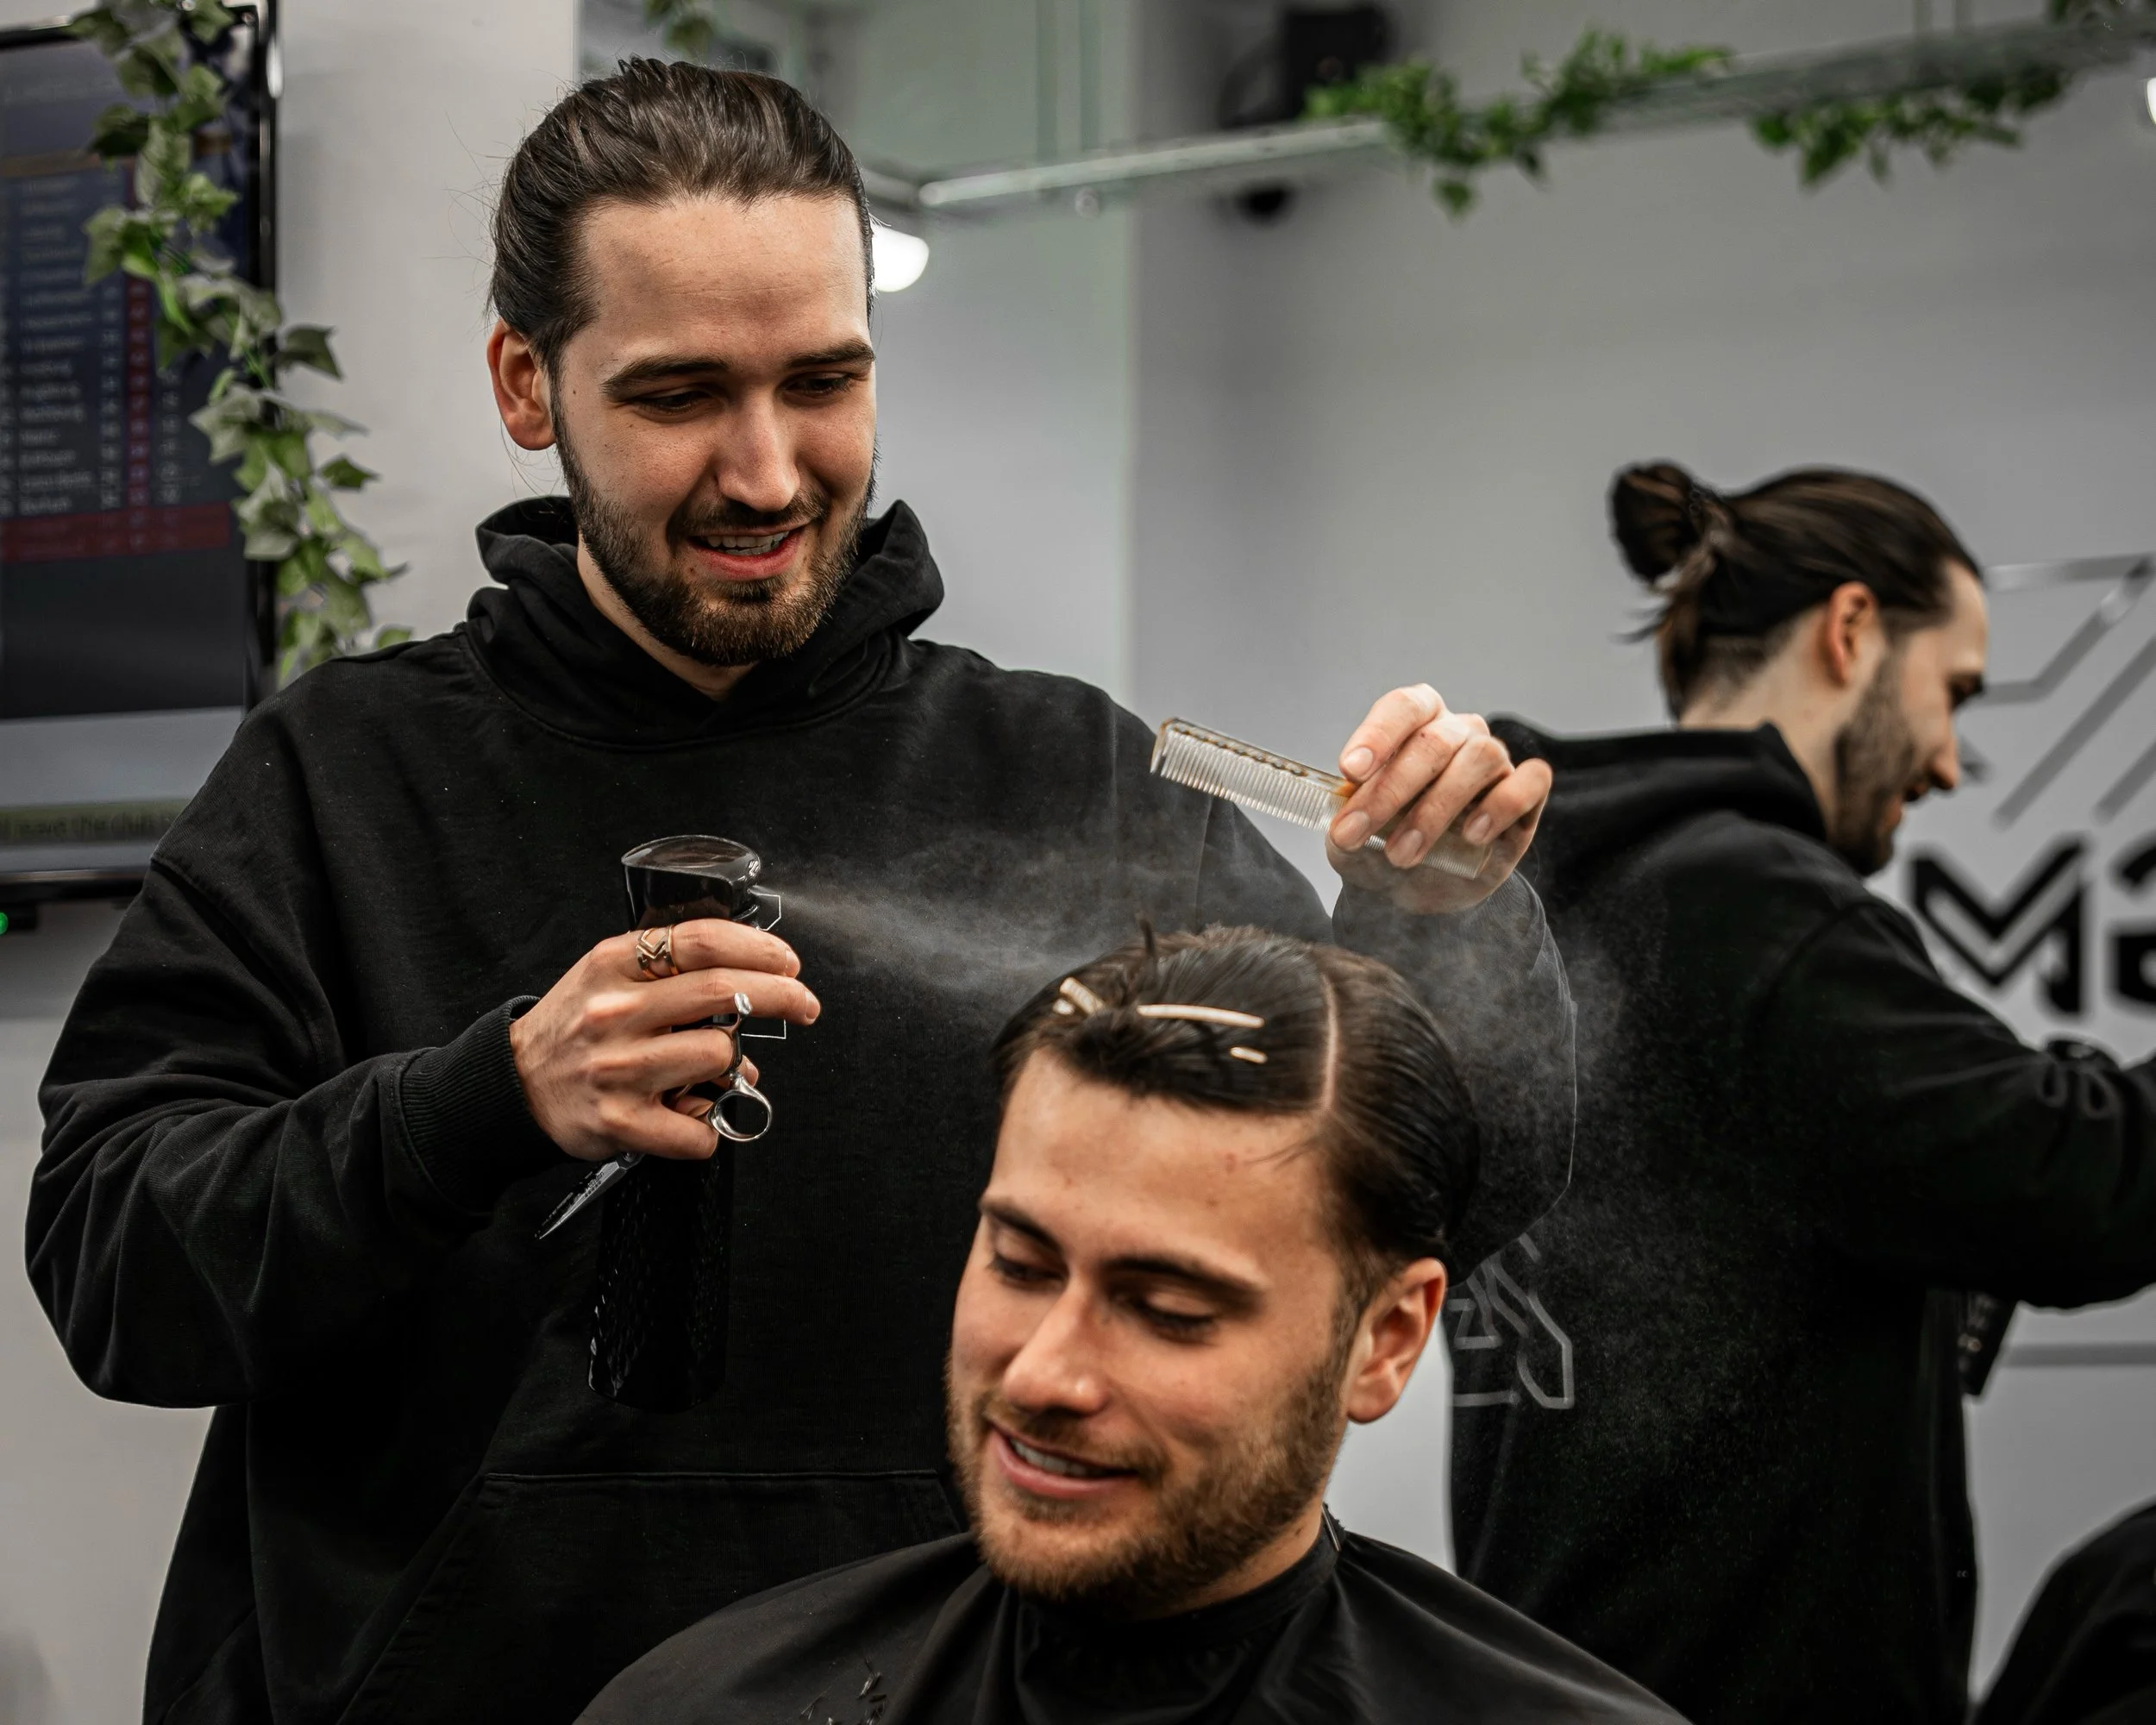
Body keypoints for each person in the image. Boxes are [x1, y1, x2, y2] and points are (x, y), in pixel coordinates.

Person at [26, 63, 1568, 1725]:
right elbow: (117, 1276)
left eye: (821, 381)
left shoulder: (1071, 776)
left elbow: (1432, 1195)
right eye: (681, 394)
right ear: (527, 387)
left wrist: (1441, 912)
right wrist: (481, 1103)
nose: (767, 474)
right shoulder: (338, 780)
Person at [1450, 461, 2156, 1725]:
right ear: (1850, 632)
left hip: (1554, 1683)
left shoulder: (1556, 903)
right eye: (1955, 693)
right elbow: (2078, 1182)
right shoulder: (1752, 908)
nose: (1948, 760)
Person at [580, 927, 1676, 1725]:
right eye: (1018, 1262)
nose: (1047, 1375)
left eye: (1170, 1309)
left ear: (1385, 1339)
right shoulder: (702, 1703)